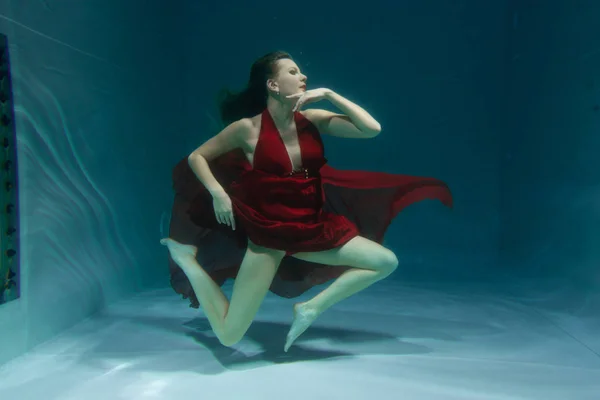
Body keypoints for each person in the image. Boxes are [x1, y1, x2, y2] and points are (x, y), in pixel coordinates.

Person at [161, 51, 453, 352]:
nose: (303, 77)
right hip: (269, 237)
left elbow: (371, 129)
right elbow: (198, 156)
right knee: (229, 335)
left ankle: (311, 308)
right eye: (293, 71)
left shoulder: (313, 120)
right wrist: (218, 193)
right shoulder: (247, 129)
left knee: (384, 262)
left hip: (312, 230)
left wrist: (329, 94)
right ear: (273, 85)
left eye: (301, 72)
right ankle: (186, 259)